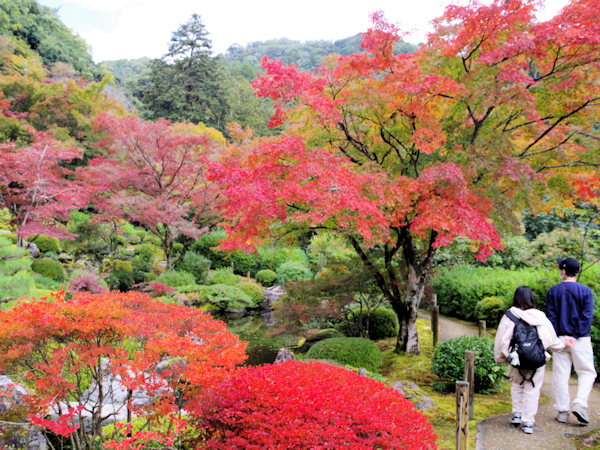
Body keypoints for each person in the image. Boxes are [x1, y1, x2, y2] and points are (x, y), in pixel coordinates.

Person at [495, 286, 574, 434]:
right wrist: (563, 344)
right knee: (532, 388)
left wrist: (501, 357)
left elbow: (501, 339)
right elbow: (551, 340)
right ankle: (528, 422)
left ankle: (517, 414)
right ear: (531, 299)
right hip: (537, 360)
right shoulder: (540, 317)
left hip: (516, 358)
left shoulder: (510, 316)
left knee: (517, 384)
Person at [546, 257, 596, 425]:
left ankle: (563, 410)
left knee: (560, 375)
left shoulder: (553, 291)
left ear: (564, 271)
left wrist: (557, 337)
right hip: (580, 339)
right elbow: (586, 316)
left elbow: (551, 317)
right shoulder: (586, 291)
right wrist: (575, 337)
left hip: (559, 339)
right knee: (587, 372)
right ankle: (580, 404)